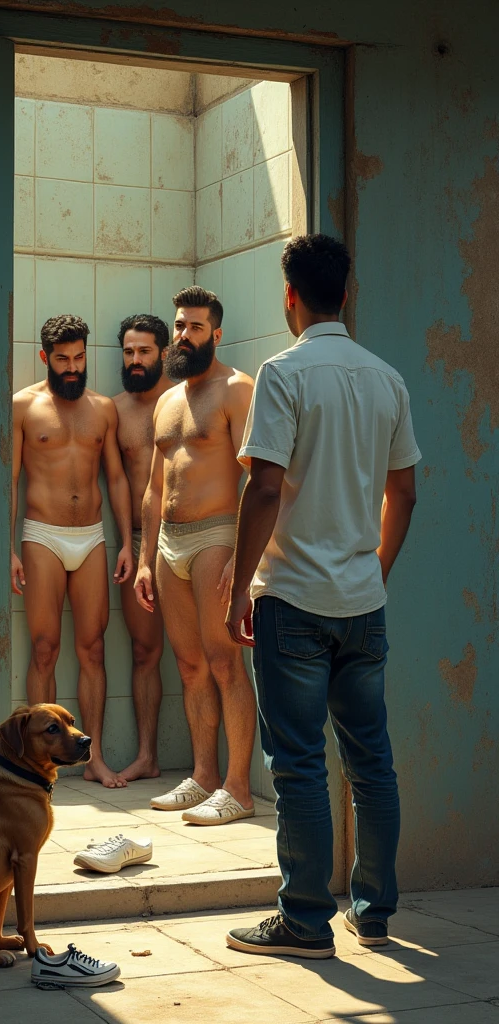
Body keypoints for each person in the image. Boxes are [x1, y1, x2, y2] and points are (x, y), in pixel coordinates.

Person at [225, 234, 420, 958]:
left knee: (301, 762)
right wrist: (376, 566)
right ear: (349, 292)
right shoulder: (385, 378)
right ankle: (372, 912)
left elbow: (265, 485)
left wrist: (238, 586)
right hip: (361, 602)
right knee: (372, 761)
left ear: (289, 296)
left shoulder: (283, 373)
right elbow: (404, 491)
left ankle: (304, 921)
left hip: (294, 603)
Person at [134, 286, 258, 825]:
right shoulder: (166, 400)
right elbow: (154, 487)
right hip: (169, 544)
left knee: (224, 661)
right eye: (179, 325)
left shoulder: (238, 390)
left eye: (195, 328)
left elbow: (263, 474)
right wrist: (143, 556)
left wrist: (245, 553)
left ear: (217, 334)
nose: (183, 335)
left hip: (217, 536)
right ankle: (204, 776)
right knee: (189, 667)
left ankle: (238, 788)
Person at [11, 314, 133, 789]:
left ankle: (94, 757)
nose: (72, 367)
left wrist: (124, 541)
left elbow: (117, 478)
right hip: (42, 533)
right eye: (62, 359)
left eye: (79, 358)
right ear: (46, 357)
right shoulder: (23, 406)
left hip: (92, 537)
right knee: (45, 648)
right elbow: (12, 479)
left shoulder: (103, 409)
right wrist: (9, 549)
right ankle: (37, 766)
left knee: (94, 649)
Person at [113, 313, 173, 782]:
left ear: (164, 354)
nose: (135, 361)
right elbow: (115, 482)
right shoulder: (116, 411)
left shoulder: (182, 401)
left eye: (144, 352)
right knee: (143, 652)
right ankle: (148, 756)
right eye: (129, 352)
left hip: (184, 534)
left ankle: (215, 772)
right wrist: (125, 546)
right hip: (137, 542)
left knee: (208, 659)